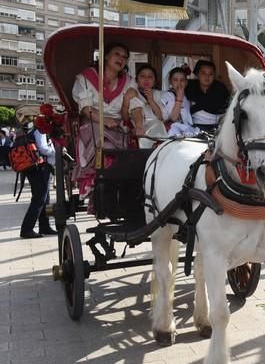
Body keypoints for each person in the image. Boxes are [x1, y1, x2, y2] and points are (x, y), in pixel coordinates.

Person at [71, 42, 134, 197]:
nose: (121, 59)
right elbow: (86, 109)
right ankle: (98, 189)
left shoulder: (129, 81)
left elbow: (134, 106)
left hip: (118, 127)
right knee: (104, 146)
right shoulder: (86, 77)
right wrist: (105, 121)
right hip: (93, 123)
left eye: (125, 57)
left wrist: (137, 123)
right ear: (106, 56)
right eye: (117, 54)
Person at [20, 124, 57, 238]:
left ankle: (44, 226)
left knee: (45, 199)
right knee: (39, 199)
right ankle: (27, 229)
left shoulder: (35, 130)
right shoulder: (40, 131)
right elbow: (44, 149)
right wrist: (56, 150)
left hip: (38, 168)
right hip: (39, 168)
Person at [124, 65, 167, 148]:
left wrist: (151, 100)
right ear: (137, 79)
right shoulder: (133, 93)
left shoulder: (158, 94)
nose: (146, 79)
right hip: (139, 126)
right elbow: (126, 116)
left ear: (154, 81)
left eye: (150, 77)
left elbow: (160, 116)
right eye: (142, 76)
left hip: (156, 127)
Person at [184, 60, 230, 133]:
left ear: (214, 76)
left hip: (217, 127)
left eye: (210, 74)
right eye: (203, 73)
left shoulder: (220, 88)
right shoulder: (190, 87)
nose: (207, 76)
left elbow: (226, 108)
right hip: (195, 127)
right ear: (197, 74)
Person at [161, 67, 201, 138]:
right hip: (174, 130)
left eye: (182, 80)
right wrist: (179, 99)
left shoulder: (187, 96)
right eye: (175, 80)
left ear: (186, 82)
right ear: (170, 81)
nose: (179, 83)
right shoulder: (167, 95)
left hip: (187, 129)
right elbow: (173, 118)